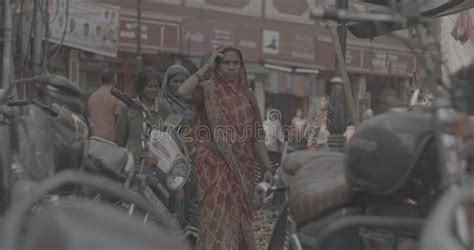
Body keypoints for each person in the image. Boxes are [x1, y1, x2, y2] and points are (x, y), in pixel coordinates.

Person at [177, 46, 273, 250]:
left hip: (243, 170)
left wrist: (267, 167)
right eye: (226, 63)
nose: (231, 67)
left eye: (235, 63)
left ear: (241, 66)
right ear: (218, 67)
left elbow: (257, 136)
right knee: (216, 219)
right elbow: (182, 92)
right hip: (214, 166)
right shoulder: (207, 90)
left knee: (240, 222)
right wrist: (206, 68)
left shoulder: (248, 96)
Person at [160, 64, 198, 241]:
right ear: (167, 83)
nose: (178, 85)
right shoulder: (162, 104)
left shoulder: (194, 105)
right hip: (167, 157)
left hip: (192, 156)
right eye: (175, 81)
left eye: (183, 81)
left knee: (190, 194)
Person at [115, 67, 170, 160]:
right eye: (149, 86)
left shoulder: (164, 107)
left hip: (158, 160)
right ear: (140, 87)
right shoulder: (128, 108)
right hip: (132, 158)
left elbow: (168, 136)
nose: (153, 90)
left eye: (156, 87)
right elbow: (120, 139)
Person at [87, 68, 122, 142]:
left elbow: (88, 117)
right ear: (114, 79)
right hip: (110, 140)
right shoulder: (117, 96)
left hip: (94, 139)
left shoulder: (92, 96)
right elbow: (119, 121)